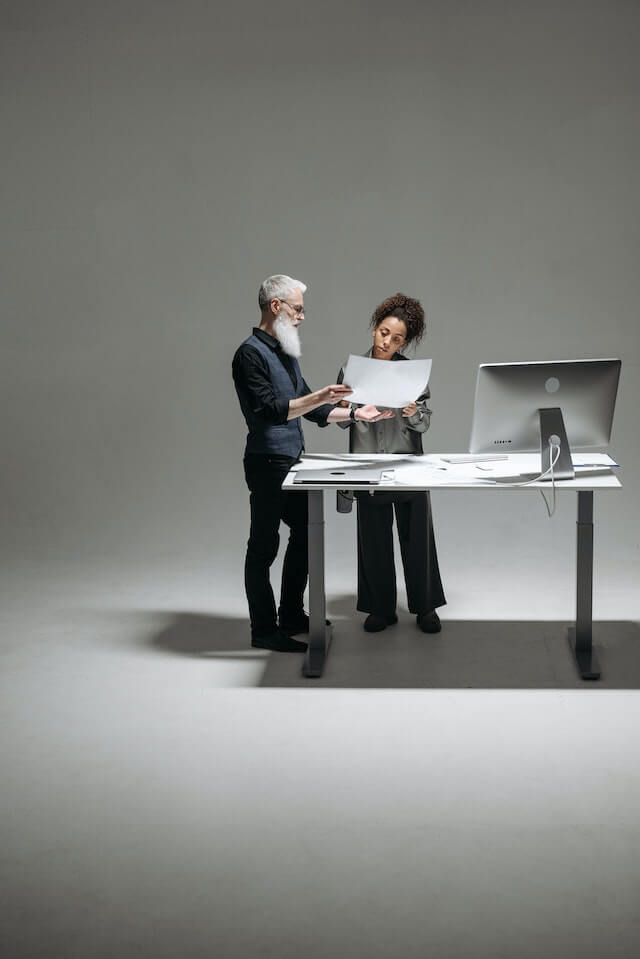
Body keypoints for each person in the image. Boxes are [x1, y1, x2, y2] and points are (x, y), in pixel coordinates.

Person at [232, 275, 391, 653]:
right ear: (276, 307)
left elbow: (313, 407)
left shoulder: (284, 353)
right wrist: (318, 396)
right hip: (267, 461)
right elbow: (270, 411)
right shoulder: (249, 354)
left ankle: (291, 615)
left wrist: (356, 415)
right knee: (264, 546)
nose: (302, 316)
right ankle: (263, 629)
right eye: (298, 309)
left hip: (291, 461)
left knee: (306, 534)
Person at [336, 292, 446, 633]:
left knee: (418, 539)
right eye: (384, 332)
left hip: (408, 466)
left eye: (397, 338)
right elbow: (338, 419)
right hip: (368, 466)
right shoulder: (351, 371)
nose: (388, 341)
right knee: (373, 540)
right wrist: (355, 410)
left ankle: (425, 607)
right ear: (374, 329)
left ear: (405, 341)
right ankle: (380, 608)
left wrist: (414, 412)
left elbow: (425, 422)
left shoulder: (412, 374)